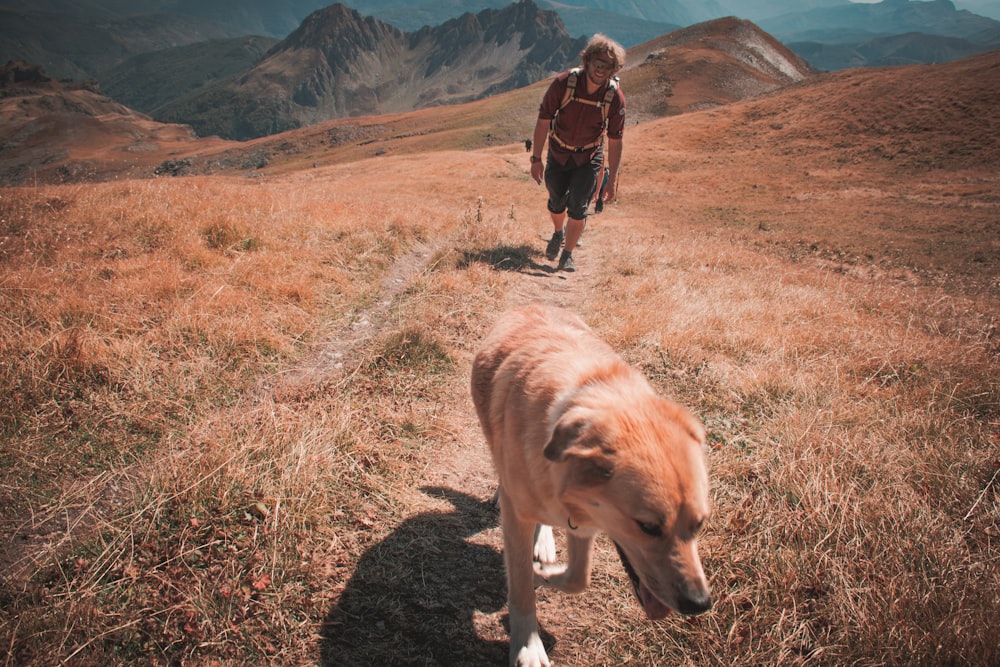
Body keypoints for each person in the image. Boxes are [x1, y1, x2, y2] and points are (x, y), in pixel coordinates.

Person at [529, 34, 626, 272]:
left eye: (607, 65)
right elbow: (543, 120)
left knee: (579, 206)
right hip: (558, 153)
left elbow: (615, 140)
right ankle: (557, 232)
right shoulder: (563, 84)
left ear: (614, 69)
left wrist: (611, 180)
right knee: (556, 202)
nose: (601, 69)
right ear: (587, 60)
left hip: (589, 158)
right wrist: (536, 159)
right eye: (597, 63)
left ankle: (568, 254)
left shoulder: (614, 98)